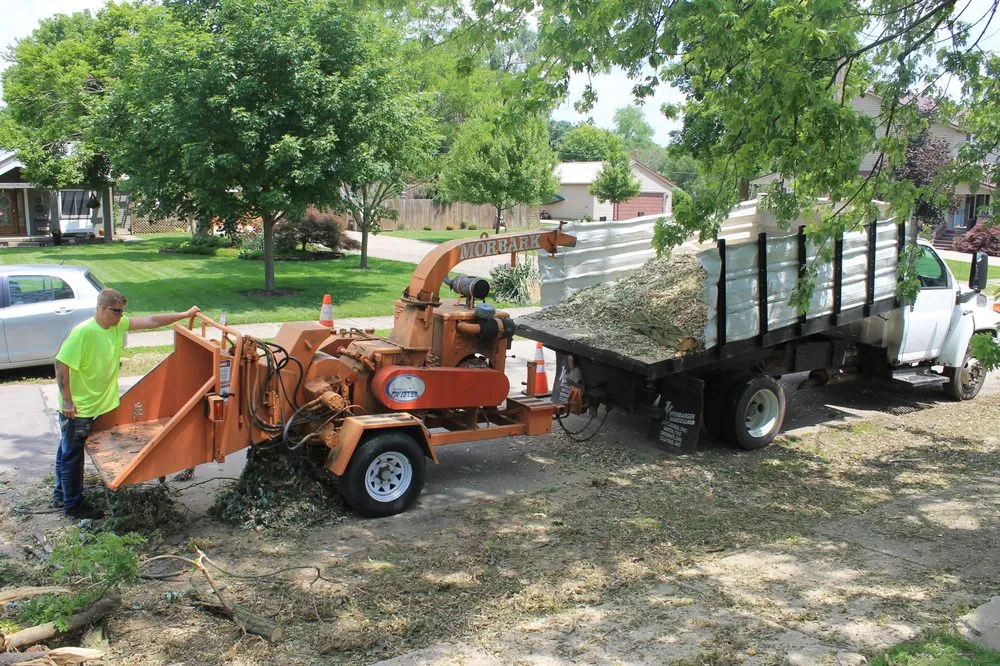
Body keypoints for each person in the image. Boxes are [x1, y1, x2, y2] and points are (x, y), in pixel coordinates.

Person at [53, 288, 200, 519]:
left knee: (67, 448)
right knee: (72, 454)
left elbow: (151, 320)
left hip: (96, 403)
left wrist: (184, 314)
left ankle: (61, 494)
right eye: (117, 312)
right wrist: (68, 401)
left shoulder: (116, 326)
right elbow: (61, 364)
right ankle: (73, 506)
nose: (121, 316)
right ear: (102, 309)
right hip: (80, 408)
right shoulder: (84, 332)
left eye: (122, 312)